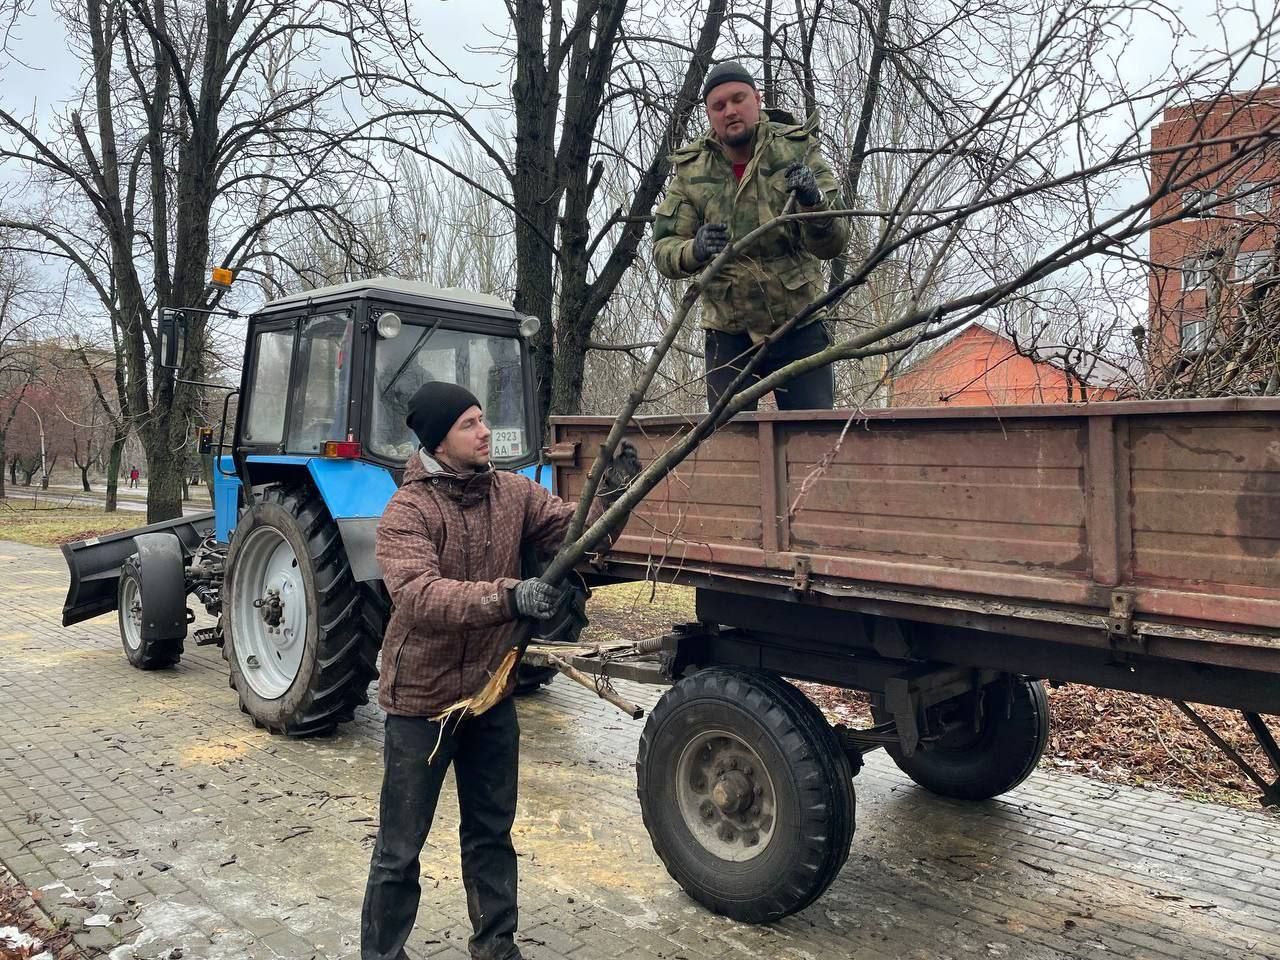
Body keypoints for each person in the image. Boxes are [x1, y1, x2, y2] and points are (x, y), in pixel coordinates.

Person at [361, 380, 641, 960]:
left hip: (490, 699)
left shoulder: (513, 494)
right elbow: (420, 596)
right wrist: (509, 597)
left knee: (491, 834)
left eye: (483, 419)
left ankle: (496, 947)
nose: (485, 431)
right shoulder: (406, 511)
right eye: (469, 423)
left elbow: (580, 535)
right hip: (423, 705)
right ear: (438, 439)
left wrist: (620, 491)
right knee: (399, 848)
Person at [653, 60, 849, 411]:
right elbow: (664, 250)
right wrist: (693, 251)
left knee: (813, 441)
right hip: (729, 332)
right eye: (719, 106)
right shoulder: (691, 169)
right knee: (733, 449)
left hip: (798, 322)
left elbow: (834, 243)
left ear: (757, 99)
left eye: (737, 99)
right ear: (710, 115)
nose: (729, 111)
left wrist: (812, 203)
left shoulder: (796, 149)